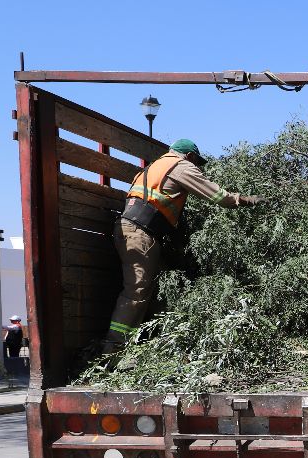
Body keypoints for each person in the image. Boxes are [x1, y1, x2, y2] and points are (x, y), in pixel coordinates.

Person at [102, 139, 260, 355]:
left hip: (132, 231)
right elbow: (218, 196)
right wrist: (249, 200)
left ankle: (156, 346)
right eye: (196, 162)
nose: (196, 167)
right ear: (190, 157)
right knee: (136, 292)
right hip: (140, 234)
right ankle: (112, 351)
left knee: (158, 289)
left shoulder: (155, 166)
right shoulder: (180, 166)